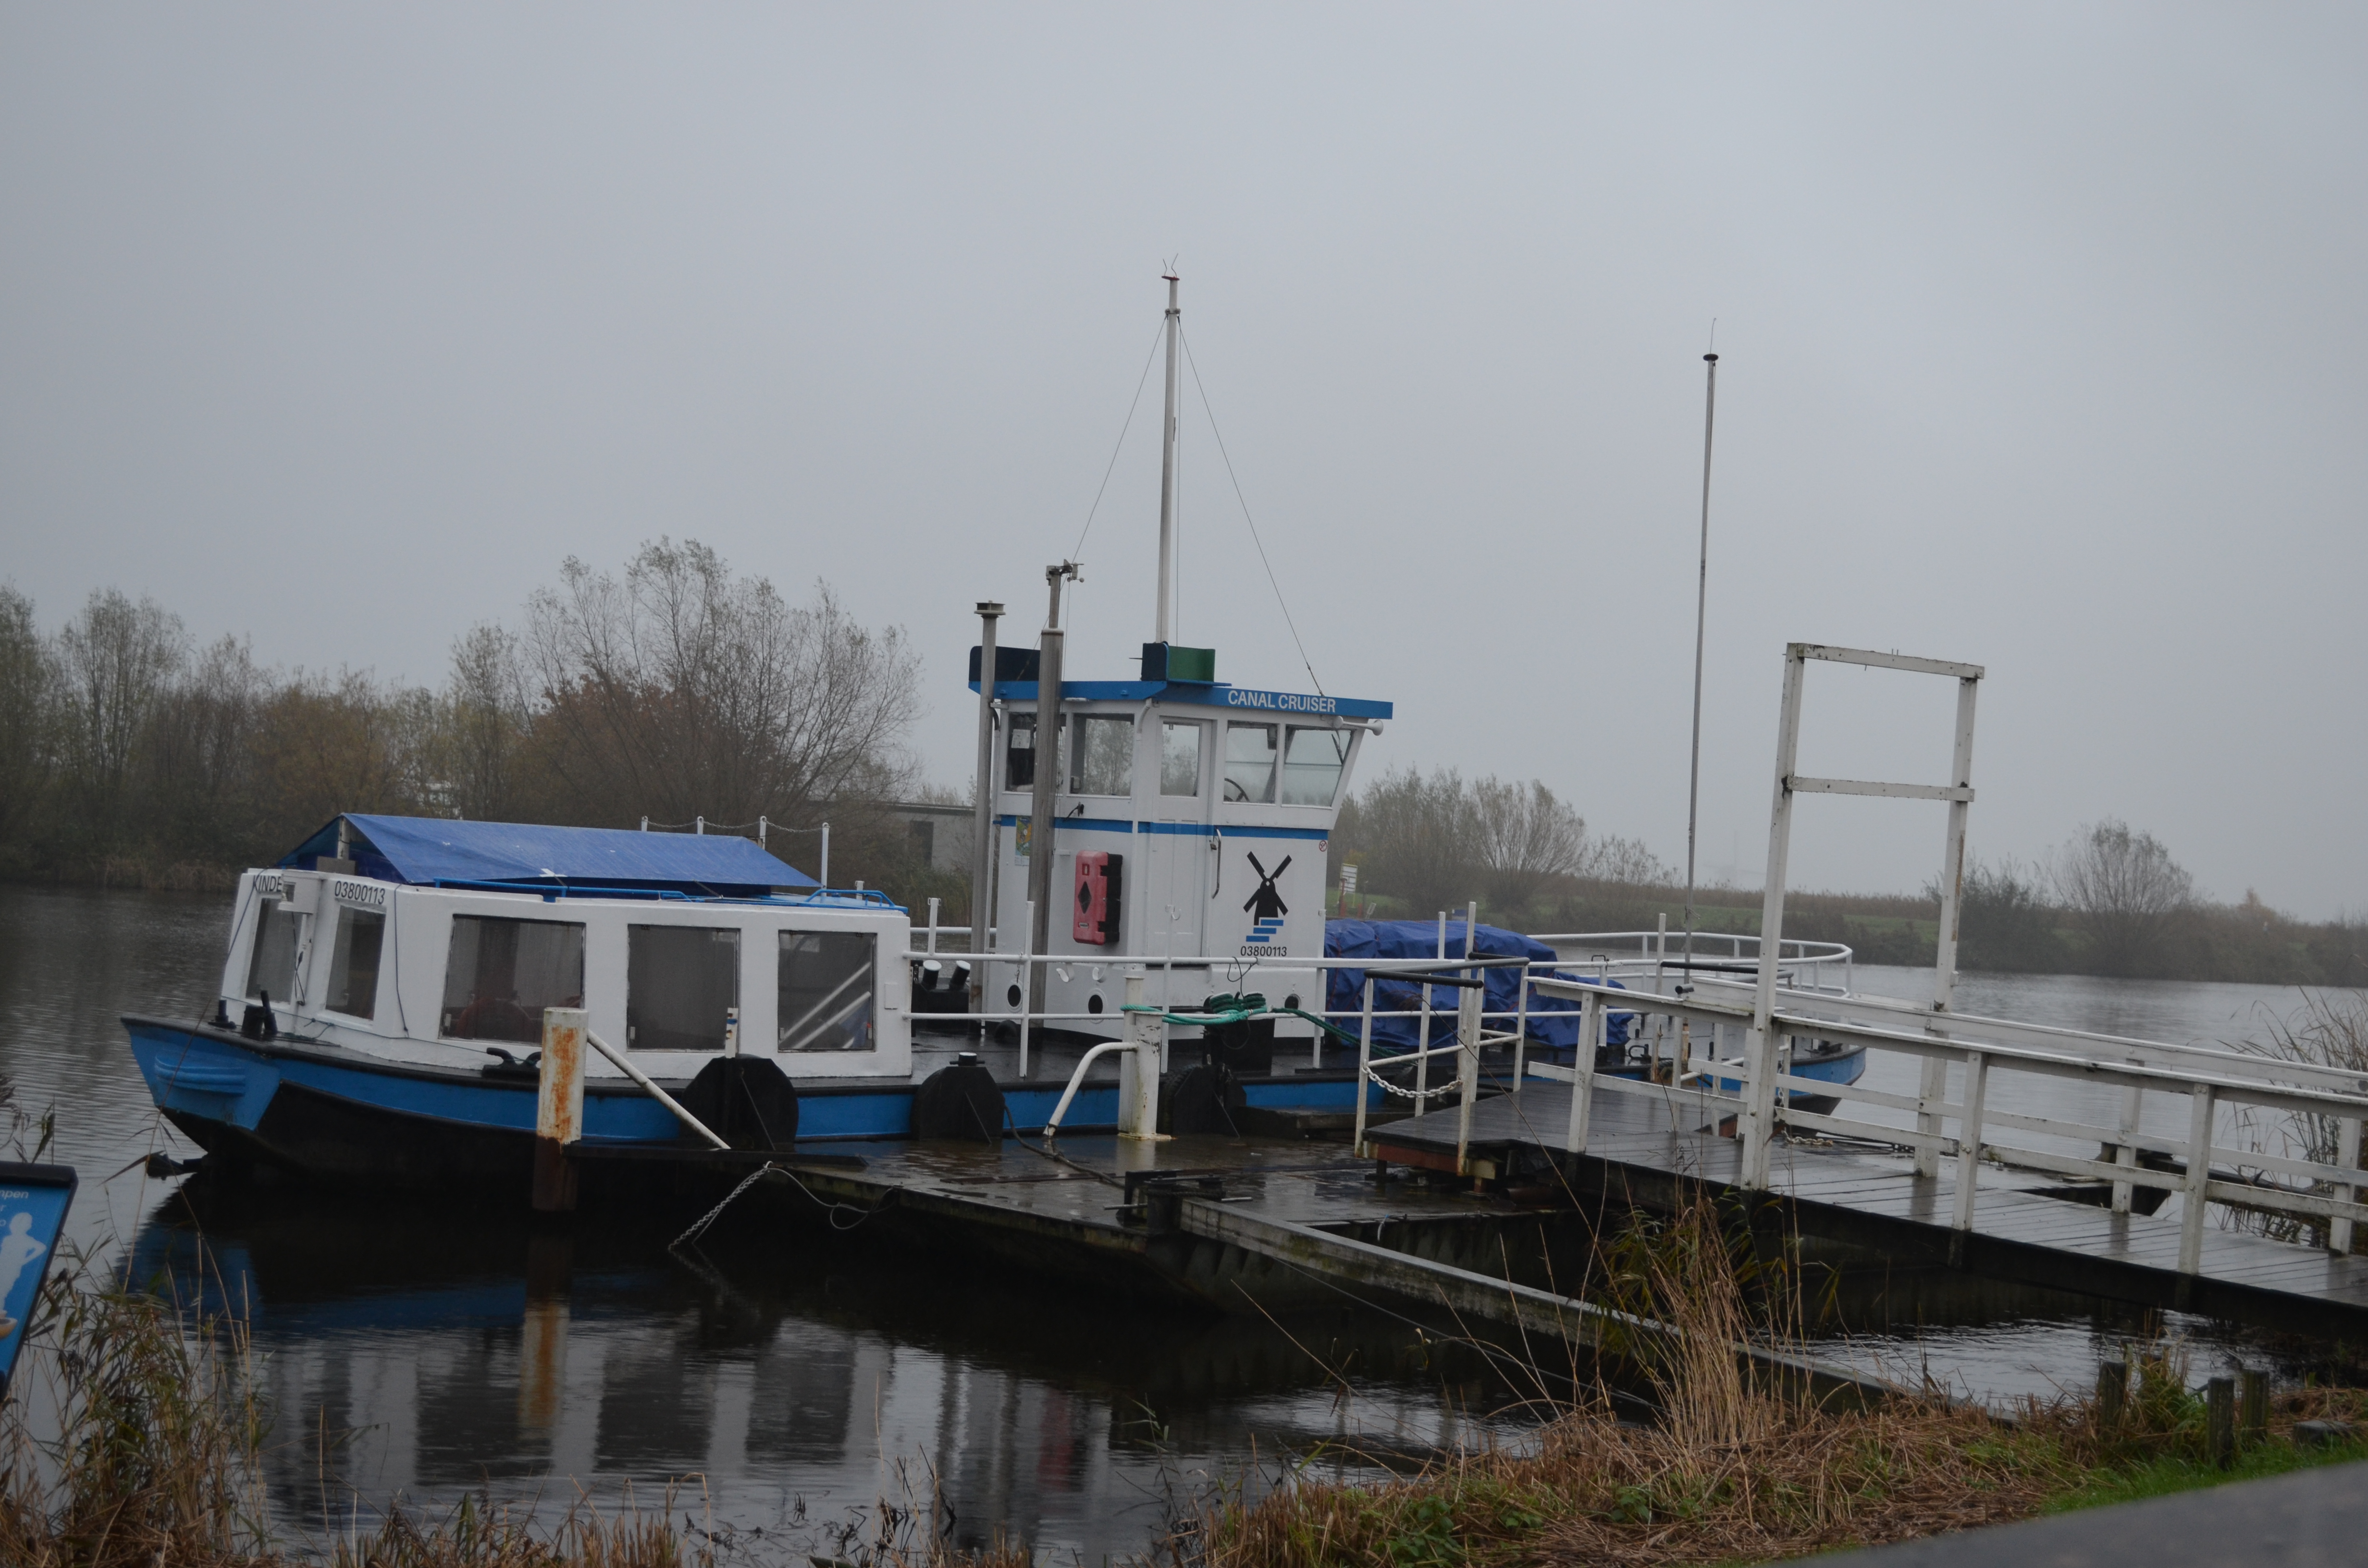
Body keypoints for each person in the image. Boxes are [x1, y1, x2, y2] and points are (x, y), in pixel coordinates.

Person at [0, 1210, 48, 1340]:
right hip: (2, 1267)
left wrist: (23, 1261)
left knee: (2, 1292)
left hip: (11, 1270)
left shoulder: (26, 1240)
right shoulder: (8, 1238)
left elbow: (42, 1247)